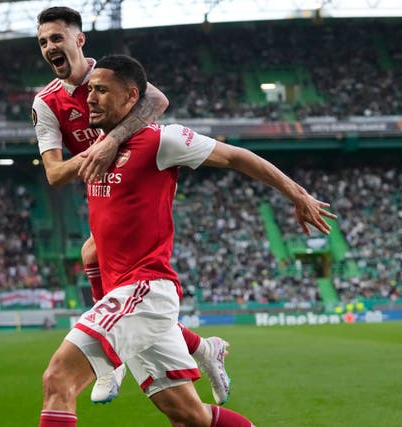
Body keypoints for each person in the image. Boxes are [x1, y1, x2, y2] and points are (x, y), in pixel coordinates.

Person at [39, 54, 336, 427]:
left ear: (131, 97)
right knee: (190, 417)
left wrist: (297, 194)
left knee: (58, 378)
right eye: (90, 90)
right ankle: (198, 349)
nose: (91, 98)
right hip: (133, 300)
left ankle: (120, 359)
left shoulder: (164, 139)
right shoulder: (97, 150)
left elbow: (236, 157)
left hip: (144, 291)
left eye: (101, 90)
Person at [33, 6, 230, 405]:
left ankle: (113, 363)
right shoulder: (46, 102)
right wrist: (93, 156)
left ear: (78, 40)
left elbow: (157, 100)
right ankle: (201, 348)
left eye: (57, 38)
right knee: (95, 255)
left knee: (96, 254)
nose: (50, 46)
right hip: (101, 189)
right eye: (42, 42)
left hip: (139, 175)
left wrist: (110, 140)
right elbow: (54, 175)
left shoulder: (109, 76)